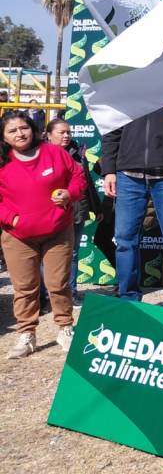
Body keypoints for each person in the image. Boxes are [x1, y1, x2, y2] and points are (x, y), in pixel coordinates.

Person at [0, 111, 86, 358]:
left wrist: (69, 194)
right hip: (17, 236)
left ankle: (65, 328)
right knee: (25, 287)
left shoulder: (54, 152)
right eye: (12, 130)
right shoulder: (2, 160)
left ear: (33, 129)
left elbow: (78, 177)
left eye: (23, 128)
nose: (20, 133)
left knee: (58, 284)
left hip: (57, 231)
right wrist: (11, 218)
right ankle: (27, 334)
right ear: (4, 137)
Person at [101, 109, 163, 309]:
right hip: (128, 176)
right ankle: (128, 298)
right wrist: (108, 170)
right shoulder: (125, 87)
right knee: (125, 241)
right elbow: (112, 129)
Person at [46, 118, 101, 306]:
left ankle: (71, 293)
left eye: (68, 132)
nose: (67, 135)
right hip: (48, 214)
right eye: (61, 132)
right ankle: (46, 296)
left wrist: (96, 207)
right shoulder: (39, 155)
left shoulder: (78, 153)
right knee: (46, 255)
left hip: (76, 212)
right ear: (48, 135)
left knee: (73, 254)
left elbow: (87, 182)